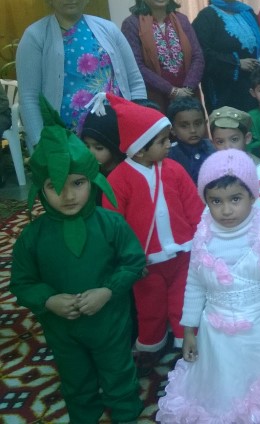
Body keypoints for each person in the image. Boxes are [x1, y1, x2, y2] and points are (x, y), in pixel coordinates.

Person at [10, 97, 145, 424]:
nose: (68, 195)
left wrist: (107, 290)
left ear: (92, 179)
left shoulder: (111, 223)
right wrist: (48, 299)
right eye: (54, 186)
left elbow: (133, 263)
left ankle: (125, 412)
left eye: (78, 183)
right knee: (75, 376)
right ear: (40, 189)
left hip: (110, 322)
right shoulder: (32, 237)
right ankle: (85, 413)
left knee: (118, 371)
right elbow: (22, 282)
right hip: (62, 328)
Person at [157, 149, 260, 422]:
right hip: (215, 337)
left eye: (235, 199)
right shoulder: (203, 235)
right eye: (216, 201)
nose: (226, 210)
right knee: (221, 392)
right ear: (206, 199)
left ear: (252, 196)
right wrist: (189, 330)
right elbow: (194, 285)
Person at [101, 94, 205, 368]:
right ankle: (150, 346)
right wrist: (128, 260)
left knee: (184, 302)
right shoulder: (119, 179)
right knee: (150, 307)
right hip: (146, 263)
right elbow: (114, 225)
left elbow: (193, 207)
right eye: (161, 141)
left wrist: (201, 240)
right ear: (139, 149)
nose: (169, 144)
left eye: (167, 138)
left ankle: (186, 343)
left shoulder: (174, 170)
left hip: (183, 253)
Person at [18, 0, 146, 146]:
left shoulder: (108, 29)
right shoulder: (35, 36)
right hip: (65, 138)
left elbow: (135, 80)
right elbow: (29, 97)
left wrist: (139, 123)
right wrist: (40, 143)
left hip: (116, 129)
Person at [121, 0, 204, 112]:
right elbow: (136, 65)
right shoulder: (132, 24)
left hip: (188, 96)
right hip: (155, 97)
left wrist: (187, 89)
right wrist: (171, 91)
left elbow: (198, 56)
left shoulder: (182, 20)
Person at [193, 0, 260, 113]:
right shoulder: (207, 17)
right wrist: (237, 63)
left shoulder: (247, 12)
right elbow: (203, 54)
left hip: (254, 86)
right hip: (224, 89)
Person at [166, 97, 214, 184]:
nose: (193, 130)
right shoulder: (169, 154)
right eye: (184, 126)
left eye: (198, 124)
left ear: (205, 123)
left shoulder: (213, 147)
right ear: (172, 130)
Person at [81, 105, 125, 179]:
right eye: (86, 146)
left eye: (99, 148)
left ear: (114, 148)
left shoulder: (123, 176)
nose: (90, 153)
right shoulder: (83, 169)